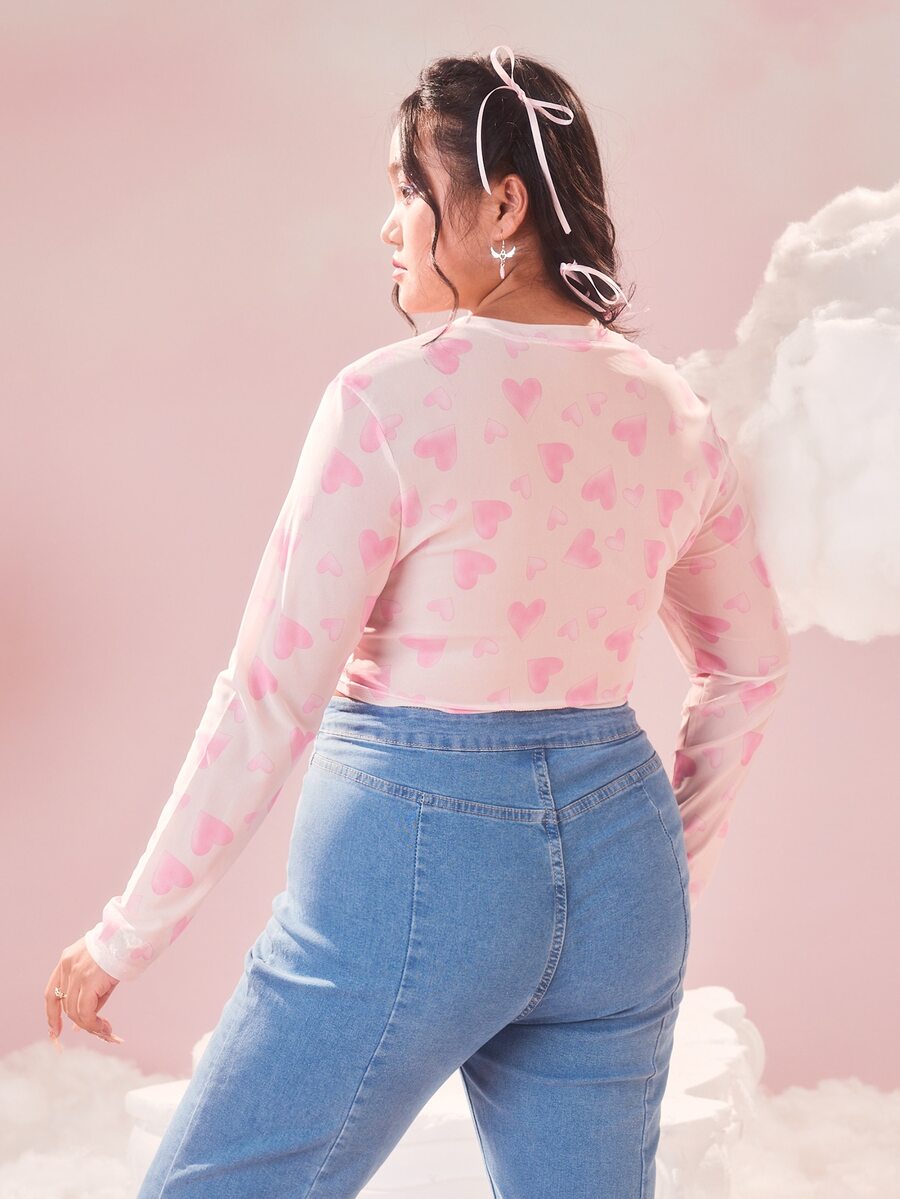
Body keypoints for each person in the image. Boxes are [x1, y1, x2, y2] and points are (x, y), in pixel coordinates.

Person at [45, 44, 790, 1199]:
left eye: (409, 188)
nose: (388, 226)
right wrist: (659, 861)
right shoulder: (675, 411)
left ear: (503, 204)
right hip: (623, 878)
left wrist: (124, 934)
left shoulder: (387, 400)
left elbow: (270, 694)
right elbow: (750, 663)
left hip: (418, 860)